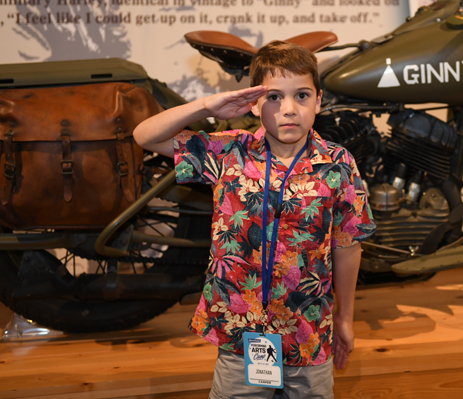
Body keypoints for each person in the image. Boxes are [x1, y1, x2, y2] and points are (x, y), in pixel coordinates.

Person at [133, 40, 375, 398]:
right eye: (274, 97)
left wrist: (345, 318)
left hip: (308, 332)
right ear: (255, 103)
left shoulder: (338, 164)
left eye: (302, 95)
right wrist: (206, 106)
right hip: (241, 335)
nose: (289, 109)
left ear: (319, 100)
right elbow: (145, 136)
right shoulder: (230, 152)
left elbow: (347, 244)